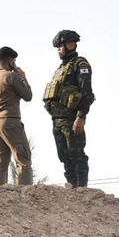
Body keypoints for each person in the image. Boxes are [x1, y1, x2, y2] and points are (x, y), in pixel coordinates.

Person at [43, 30, 94, 187]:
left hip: (72, 119)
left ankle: (81, 190)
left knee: (76, 155)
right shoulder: (62, 68)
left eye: (61, 46)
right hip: (57, 120)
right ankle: (72, 188)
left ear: (71, 45)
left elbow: (87, 94)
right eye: (57, 47)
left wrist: (80, 117)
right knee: (64, 156)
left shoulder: (80, 64)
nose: (59, 50)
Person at [0, 46, 33, 185]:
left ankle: (0, 192)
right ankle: (26, 193)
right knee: (23, 160)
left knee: (1, 164)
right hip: (10, 123)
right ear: (11, 61)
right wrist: (23, 78)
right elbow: (28, 96)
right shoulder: (12, 76)